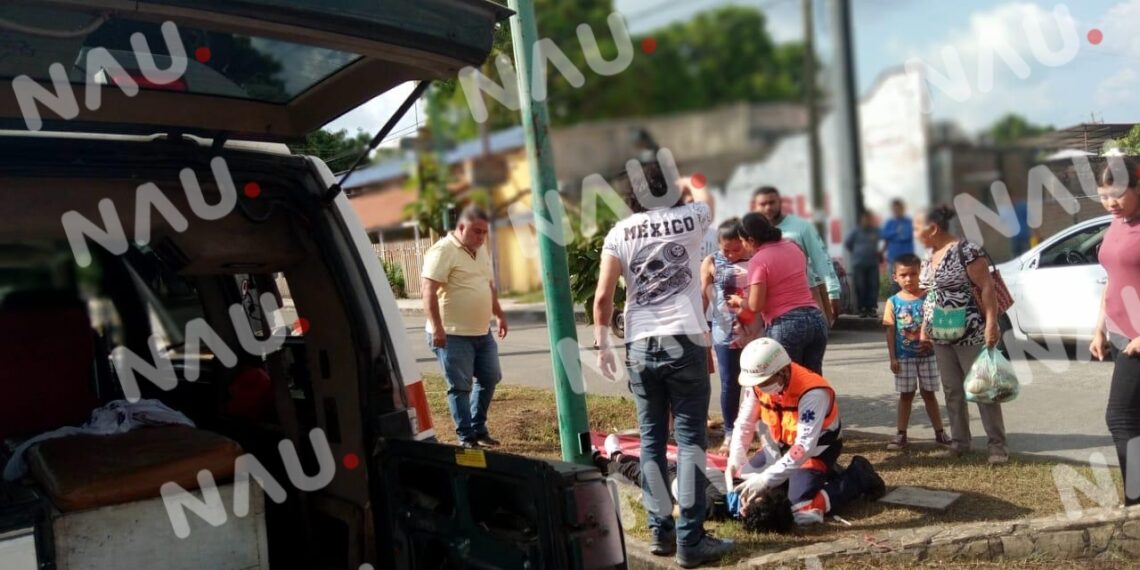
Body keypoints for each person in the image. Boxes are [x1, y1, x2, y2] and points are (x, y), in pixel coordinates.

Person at [594, 161, 732, 567]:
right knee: (690, 442)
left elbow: (603, 298)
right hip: (684, 337)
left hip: (640, 343)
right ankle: (691, 541)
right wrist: (687, 180)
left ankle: (661, 533)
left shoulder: (619, 232)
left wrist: (602, 345)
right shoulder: (688, 218)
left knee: (652, 442)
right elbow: (708, 197)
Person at [728, 338, 887, 525]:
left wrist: (766, 480)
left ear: (783, 371)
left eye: (765, 382)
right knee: (743, 484)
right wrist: (735, 459)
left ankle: (858, 477)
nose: (761, 387)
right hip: (779, 446)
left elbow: (804, 447)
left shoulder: (812, 392)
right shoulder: (756, 384)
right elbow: (744, 424)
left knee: (801, 511)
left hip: (817, 449)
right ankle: (801, 479)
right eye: (758, 383)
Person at [915, 205, 1008, 464]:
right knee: (952, 389)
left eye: (917, 227)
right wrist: (925, 331)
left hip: (970, 332)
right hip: (941, 333)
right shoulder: (927, 256)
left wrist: (992, 324)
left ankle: (997, 445)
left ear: (933, 228)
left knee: (982, 388)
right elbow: (930, 296)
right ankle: (960, 442)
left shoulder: (966, 250)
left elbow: (987, 288)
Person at [421, 205, 508, 449]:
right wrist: (437, 328)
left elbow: (488, 286)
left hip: (482, 332)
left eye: (484, 233)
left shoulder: (479, 251)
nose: (481, 238)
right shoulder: (443, 251)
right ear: (460, 227)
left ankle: (479, 428)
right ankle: (466, 436)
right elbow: (427, 291)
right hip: (452, 335)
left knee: (490, 377)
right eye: (476, 232)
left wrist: (499, 315)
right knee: (460, 387)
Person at [591, 434, 796, 533]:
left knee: (634, 470)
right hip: (691, 471)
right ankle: (617, 457)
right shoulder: (742, 490)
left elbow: (679, 510)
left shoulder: (715, 507)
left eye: (755, 498)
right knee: (650, 464)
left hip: (671, 484)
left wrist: (652, 502)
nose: (753, 493)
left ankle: (609, 458)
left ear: (744, 511)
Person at [1089, 157, 1140, 506]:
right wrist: (1099, 329)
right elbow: (1112, 280)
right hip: (1121, 334)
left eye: (1118, 194)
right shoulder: (1117, 223)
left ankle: (1136, 500)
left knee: (1119, 416)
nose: (1111, 203)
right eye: (1104, 196)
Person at [700, 218, 763, 455]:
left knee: (759, 381)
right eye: (726, 249)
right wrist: (699, 325)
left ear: (745, 243)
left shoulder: (756, 260)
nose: (730, 254)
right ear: (718, 244)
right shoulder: (711, 261)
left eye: (736, 249)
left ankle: (762, 430)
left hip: (755, 332)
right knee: (729, 382)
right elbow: (703, 297)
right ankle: (730, 432)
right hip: (724, 332)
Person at [736, 213, 828, 374]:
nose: (744, 246)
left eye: (743, 242)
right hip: (815, 320)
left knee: (787, 382)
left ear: (751, 240)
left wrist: (739, 301)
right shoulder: (793, 246)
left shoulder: (758, 261)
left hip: (787, 325)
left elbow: (755, 305)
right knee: (812, 381)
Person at [883, 253, 952, 451]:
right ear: (895, 277)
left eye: (913, 274)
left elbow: (937, 323)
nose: (908, 279)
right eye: (903, 275)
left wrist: (933, 343)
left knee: (929, 393)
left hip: (928, 357)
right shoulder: (892, 302)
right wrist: (892, 358)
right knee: (906, 395)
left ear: (920, 273)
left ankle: (940, 432)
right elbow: (889, 330)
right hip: (904, 358)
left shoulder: (929, 297)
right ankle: (901, 434)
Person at [751, 187, 841, 324]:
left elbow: (821, 260)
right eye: (763, 204)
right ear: (755, 206)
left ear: (780, 202)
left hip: (805, 297)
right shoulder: (749, 232)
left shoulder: (802, 227)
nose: (768, 207)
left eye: (772, 202)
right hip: (768, 302)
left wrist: (833, 292)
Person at [845, 210, 882, 318]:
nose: (867, 221)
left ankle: (871, 308)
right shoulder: (855, 231)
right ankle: (862, 309)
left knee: (873, 285)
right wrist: (858, 253)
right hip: (858, 263)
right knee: (860, 286)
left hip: (872, 263)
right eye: (865, 218)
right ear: (862, 220)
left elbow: (882, 243)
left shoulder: (876, 231)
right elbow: (848, 244)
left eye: (869, 218)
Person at [881, 198, 915, 267]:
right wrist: (896, 232)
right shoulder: (889, 222)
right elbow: (883, 235)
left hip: (906, 258)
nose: (896, 211)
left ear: (903, 208)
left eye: (898, 209)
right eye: (894, 209)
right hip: (892, 258)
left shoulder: (909, 222)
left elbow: (906, 236)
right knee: (892, 277)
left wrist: (891, 236)